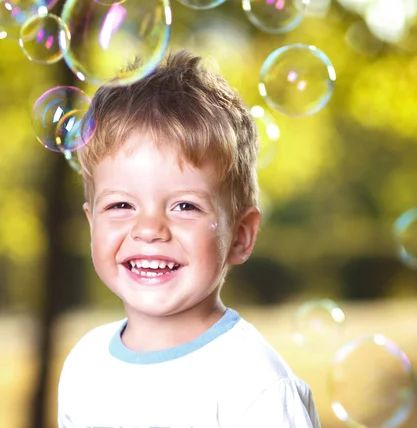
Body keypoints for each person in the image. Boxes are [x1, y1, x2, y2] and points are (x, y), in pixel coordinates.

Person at [57, 50, 321, 428]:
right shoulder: (85, 364)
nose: (149, 229)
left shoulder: (256, 385)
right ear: (91, 223)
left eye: (184, 206)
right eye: (120, 205)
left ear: (241, 236)